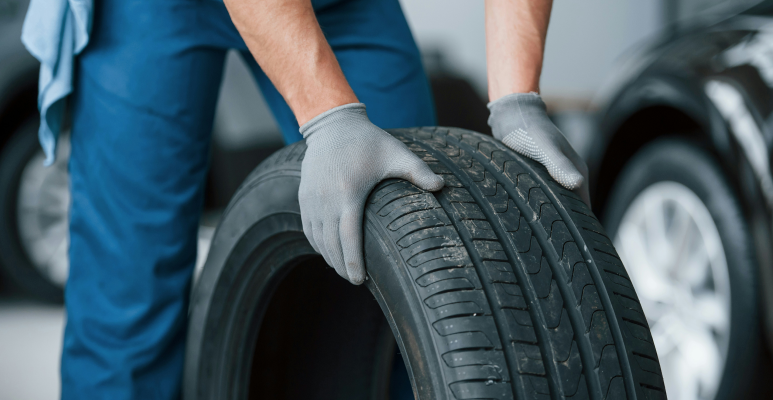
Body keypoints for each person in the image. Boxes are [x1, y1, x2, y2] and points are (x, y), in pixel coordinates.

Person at [22, 0, 588, 398]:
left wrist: (516, 98)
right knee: (126, 297)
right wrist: (330, 118)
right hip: (145, 10)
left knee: (414, 238)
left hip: (340, 3)